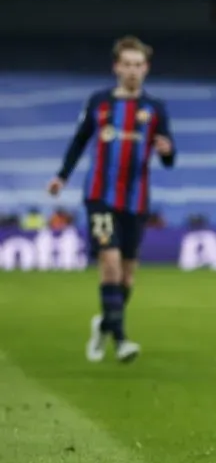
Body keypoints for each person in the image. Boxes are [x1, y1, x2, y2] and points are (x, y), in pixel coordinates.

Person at [47, 35, 176, 363]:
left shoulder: (155, 109)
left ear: (145, 68)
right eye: (127, 64)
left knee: (127, 276)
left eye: (138, 65)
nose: (132, 71)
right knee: (110, 262)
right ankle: (120, 340)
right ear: (116, 67)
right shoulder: (99, 102)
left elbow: (169, 157)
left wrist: (167, 151)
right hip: (99, 197)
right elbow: (79, 141)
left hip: (136, 201)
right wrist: (61, 176)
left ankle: (104, 323)